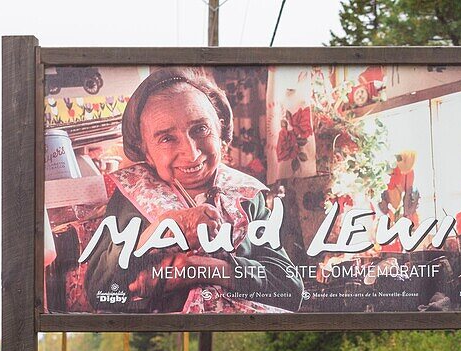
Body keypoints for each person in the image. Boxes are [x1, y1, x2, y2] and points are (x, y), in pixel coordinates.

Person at [83, 67, 303, 313]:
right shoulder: (130, 194)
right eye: (166, 138)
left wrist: (209, 269)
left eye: (200, 129)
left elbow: (291, 290)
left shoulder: (248, 196)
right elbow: (99, 291)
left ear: (220, 129)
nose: (192, 152)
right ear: (146, 151)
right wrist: (158, 234)